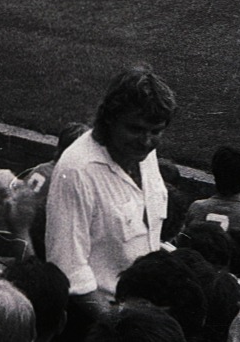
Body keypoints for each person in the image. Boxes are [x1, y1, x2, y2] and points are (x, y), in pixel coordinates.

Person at [45, 64, 176, 323]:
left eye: (156, 132)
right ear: (109, 119)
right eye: (136, 129)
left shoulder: (142, 153)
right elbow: (67, 269)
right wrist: (120, 328)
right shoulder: (77, 170)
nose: (147, 141)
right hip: (96, 321)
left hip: (140, 313)